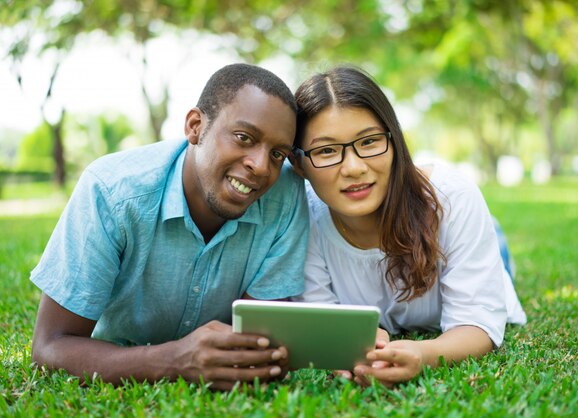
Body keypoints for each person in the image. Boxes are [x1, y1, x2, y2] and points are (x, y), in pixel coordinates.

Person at [30, 63, 309, 390]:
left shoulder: (286, 196)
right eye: (244, 137)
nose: (261, 167)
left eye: (277, 154)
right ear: (195, 126)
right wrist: (176, 360)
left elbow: (256, 344)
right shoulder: (110, 191)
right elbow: (50, 347)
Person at [290, 66, 526, 387]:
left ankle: (493, 234)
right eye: (327, 150)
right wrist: (353, 341)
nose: (354, 168)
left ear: (394, 140)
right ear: (299, 163)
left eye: (370, 141)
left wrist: (424, 353)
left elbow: (478, 322)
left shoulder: (453, 196)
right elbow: (321, 320)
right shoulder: (300, 216)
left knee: (496, 264)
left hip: (452, 228)